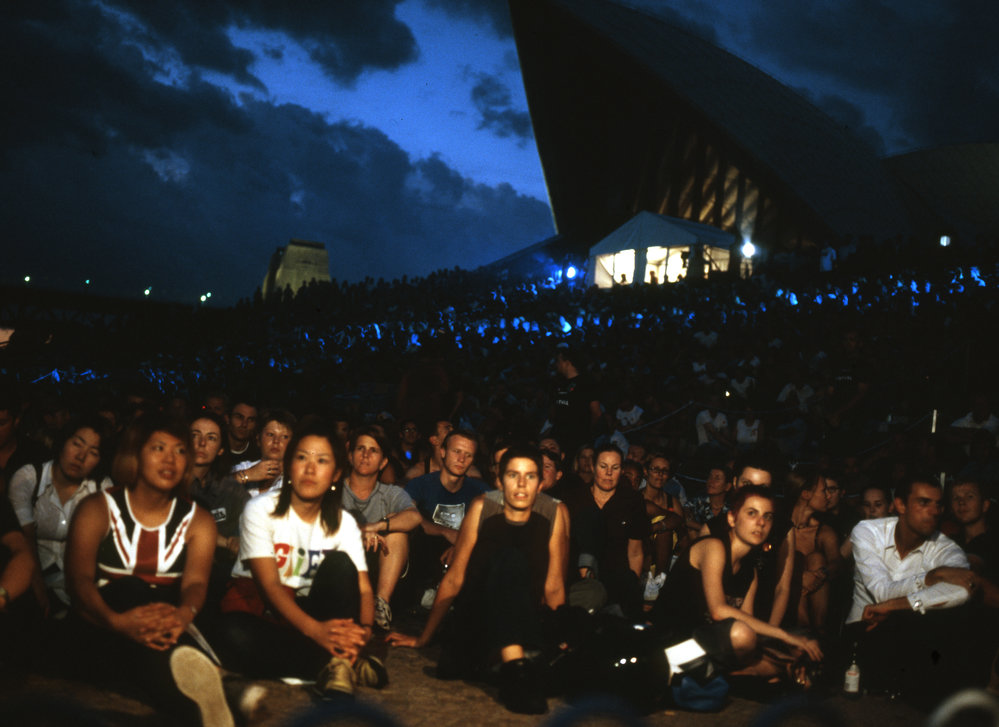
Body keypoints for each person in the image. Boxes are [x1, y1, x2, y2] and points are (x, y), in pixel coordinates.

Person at [64, 413, 225, 726]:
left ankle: (198, 696)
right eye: (158, 448)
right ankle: (203, 693)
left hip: (166, 628)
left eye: (180, 451)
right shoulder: (97, 508)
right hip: (101, 624)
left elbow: (195, 585)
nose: (170, 459)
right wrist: (115, 621)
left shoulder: (199, 520)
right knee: (129, 589)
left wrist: (184, 614)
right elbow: (78, 582)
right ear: (135, 454)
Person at [387, 445, 568, 714]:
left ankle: (513, 662)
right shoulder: (483, 506)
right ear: (499, 480)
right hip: (478, 621)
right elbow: (455, 577)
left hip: (523, 619)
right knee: (509, 559)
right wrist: (424, 638)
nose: (521, 484)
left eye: (529, 476)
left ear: (540, 483)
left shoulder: (554, 512)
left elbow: (553, 586)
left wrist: (561, 641)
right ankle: (515, 667)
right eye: (512, 475)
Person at [216, 419, 383, 700]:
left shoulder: (344, 523)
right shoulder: (260, 510)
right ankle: (339, 663)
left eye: (321, 460)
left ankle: (334, 661)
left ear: (335, 474)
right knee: (232, 634)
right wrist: (317, 632)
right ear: (289, 466)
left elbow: (364, 589)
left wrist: (365, 631)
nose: (309, 468)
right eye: (302, 458)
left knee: (341, 565)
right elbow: (269, 587)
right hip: (270, 615)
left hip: (317, 612)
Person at [651, 486, 823, 686]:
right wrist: (785, 636)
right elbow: (719, 612)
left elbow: (749, 627)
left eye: (767, 516)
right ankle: (738, 676)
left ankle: (733, 675)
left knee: (794, 652)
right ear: (732, 519)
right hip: (667, 643)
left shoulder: (750, 572)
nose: (761, 522)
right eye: (752, 513)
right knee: (743, 635)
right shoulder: (714, 547)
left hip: (704, 646)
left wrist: (789, 655)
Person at [847, 474, 978, 701]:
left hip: (910, 632)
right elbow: (881, 591)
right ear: (900, 505)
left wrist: (895, 607)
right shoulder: (867, 531)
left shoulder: (948, 549)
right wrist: (930, 578)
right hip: (861, 632)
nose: (934, 511)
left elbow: (962, 590)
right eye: (924, 502)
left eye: (938, 504)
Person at [8, 413, 113, 615]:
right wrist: (39, 593)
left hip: (82, 588)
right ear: (63, 441)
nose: (80, 456)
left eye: (93, 452)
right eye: (76, 444)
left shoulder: (102, 487)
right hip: (32, 582)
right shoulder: (29, 478)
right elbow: (25, 540)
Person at [342, 426, 422, 630]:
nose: (366, 455)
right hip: (341, 561)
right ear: (350, 456)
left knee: (398, 533)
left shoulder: (391, 493)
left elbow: (414, 517)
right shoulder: (334, 489)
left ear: (383, 461)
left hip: (380, 563)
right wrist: (357, 533)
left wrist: (377, 526)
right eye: (360, 449)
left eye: (373, 450)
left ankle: (380, 605)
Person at [564, 444, 648, 618]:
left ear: (621, 470)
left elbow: (635, 552)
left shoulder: (632, 502)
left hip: (617, 578)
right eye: (603, 466)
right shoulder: (574, 499)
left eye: (615, 468)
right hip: (580, 577)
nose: (609, 473)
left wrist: (632, 586)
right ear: (593, 467)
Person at [187, 412, 250, 615]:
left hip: (222, 576)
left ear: (221, 449)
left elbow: (251, 518)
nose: (202, 443)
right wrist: (225, 541)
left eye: (211, 438)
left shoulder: (227, 486)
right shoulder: (168, 479)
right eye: (195, 435)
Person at [405, 429, 490, 571]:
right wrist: (445, 532)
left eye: (468, 455)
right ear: (443, 452)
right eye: (456, 451)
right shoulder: (420, 484)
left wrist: (462, 544)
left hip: (466, 559)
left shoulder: (480, 490)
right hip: (424, 558)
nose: (461, 459)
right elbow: (406, 517)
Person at [232, 410, 295, 495]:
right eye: (270, 434)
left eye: (284, 437)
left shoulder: (295, 478)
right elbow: (214, 490)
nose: (276, 441)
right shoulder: (244, 468)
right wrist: (248, 474)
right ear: (258, 438)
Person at [222, 398, 259, 469]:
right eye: (239, 417)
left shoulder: (257, 454)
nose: (244, 424)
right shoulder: (216, 449)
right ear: (227, 419)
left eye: (250, 420)